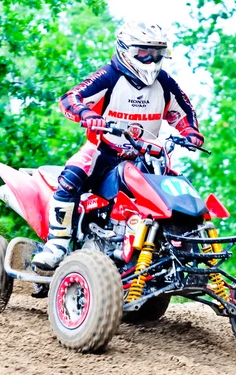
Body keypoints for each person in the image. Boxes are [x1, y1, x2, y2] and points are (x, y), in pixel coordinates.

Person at [32, 21, 204, 274]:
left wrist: (190, 132)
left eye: (157, 53)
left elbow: (184, 111)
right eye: (144, 53)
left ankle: (168, 246)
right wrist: (86, 114)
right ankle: (57, 244)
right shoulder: (109, 75)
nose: (151, 59)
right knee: (70, 177)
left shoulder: (165, 82)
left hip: (143, 156)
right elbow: (69, 99)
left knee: (174, 191)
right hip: (102, 150)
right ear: (126, 50)